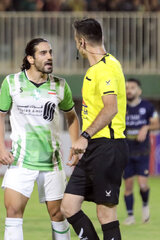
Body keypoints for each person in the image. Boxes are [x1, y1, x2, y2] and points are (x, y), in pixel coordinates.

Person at [0, 38, 79, 240]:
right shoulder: (12, 82)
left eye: (50, 52)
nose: (49, 56)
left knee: (58, 214)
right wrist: (1, 149)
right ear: (30, 58)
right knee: (13, 212)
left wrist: (76, 145)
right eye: (43, 53)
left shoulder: (60, 85)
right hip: (21, 161)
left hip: (52, 163)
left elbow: (72, 116)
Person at [60, 18, 128, 240]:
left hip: (108, 146)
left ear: (81, 42)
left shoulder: (106, 69)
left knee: (105, 213)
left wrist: (84, 136)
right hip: (93, 147)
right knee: (69, 206)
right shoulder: (98, 67)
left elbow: (111, 109)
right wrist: (84, 143)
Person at [123, 78, 159, 225]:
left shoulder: (147, 106)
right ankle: (130, 216)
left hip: (142, 152)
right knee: (128, 186)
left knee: (143, 185)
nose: (129, 90)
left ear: (139, 91)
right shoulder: (120, 106)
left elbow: (157, 124)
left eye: (132, 87)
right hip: (126, 152)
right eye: (126, 87)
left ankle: (145, 206)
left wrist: (146, 127)